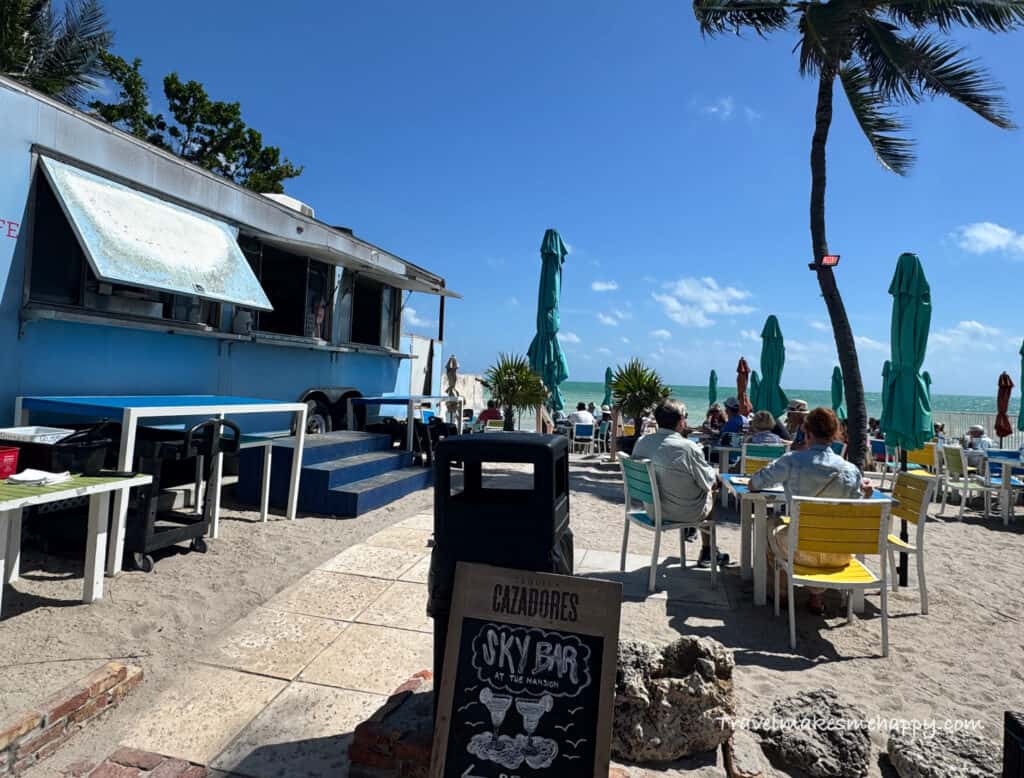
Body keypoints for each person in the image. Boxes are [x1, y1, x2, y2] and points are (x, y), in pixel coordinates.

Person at [750, 407, 873, 614]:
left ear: (807, 434)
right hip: (840, 553)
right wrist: (866, 492)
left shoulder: (792, 461)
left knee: (769, 524)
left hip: (800, 550)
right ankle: (816, 598)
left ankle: (781, 594)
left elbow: (755, 483)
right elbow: (857, 507)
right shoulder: (850, 470)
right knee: (826, 530)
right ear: (835, 435)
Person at [632, 399, 728, 568]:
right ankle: (708, 549)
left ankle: (694, 534)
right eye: (686, 416)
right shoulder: (688, 448)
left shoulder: (642, 442)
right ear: (680, 420)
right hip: (683, 512)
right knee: (712, 490)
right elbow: (708, 483)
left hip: (653, 510)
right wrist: (716, 476)